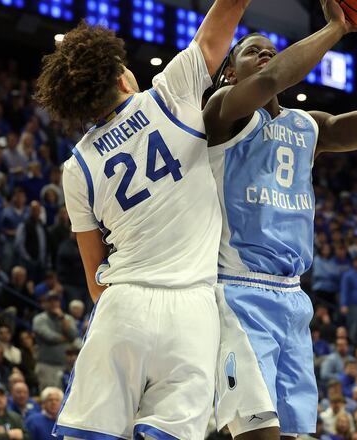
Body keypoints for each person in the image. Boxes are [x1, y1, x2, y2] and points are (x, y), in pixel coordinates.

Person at [33, 1, 251, 437]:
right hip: (192, 310)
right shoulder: (171, 93)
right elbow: (227, 12)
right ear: (121, 76)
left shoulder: (77, 167)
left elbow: (95, 276)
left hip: (125, 303)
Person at [204, 0, 357, 436]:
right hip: (236, 293)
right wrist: (337, 27)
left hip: (293, 299)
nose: (264, 54)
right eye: (252, 50)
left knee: (298, 434)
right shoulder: (221, 112)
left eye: (270, 48)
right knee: (255, 431)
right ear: (229, 72)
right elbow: (271, 78)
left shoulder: (308, 126)